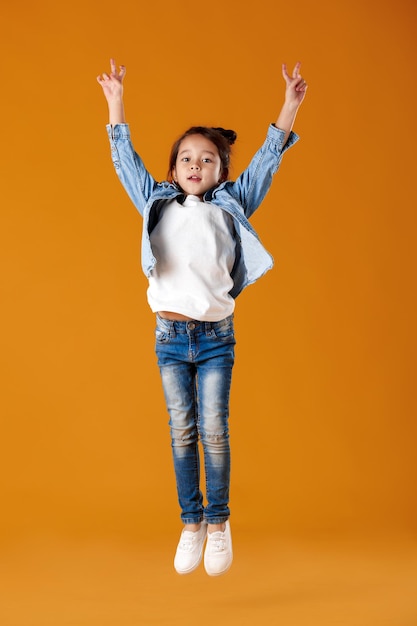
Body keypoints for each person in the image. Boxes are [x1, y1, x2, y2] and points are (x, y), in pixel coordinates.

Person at [97, 59, 307, 576]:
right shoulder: (156, 202)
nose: (196, 165)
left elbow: (265, 163)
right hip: (169, 336)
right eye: (186, 158)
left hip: (216, 338)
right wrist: (116, 102)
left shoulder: (231, 204)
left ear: (220, 172)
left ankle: (218, 524)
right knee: (182, 430)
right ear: (172, 171)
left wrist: (289, 107)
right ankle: (191, 523)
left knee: (214, 428)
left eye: (208, 159)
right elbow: (124, 160)